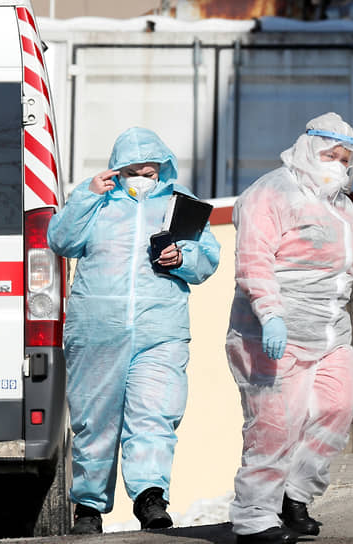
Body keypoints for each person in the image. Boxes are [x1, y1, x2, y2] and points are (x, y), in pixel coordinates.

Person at [47, 127, 220, 534]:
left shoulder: (180, 204)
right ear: (117, 170)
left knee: (155, 413)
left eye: (150, 171)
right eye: (133, 171)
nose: (142, 177)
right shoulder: (97, 201)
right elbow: (61, 240)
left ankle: (150, 497)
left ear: (162, 170)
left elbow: (207, 258)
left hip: (160, 329)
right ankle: (88, 507)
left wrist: (183, 256)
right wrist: (87, 195)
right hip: (96, 330)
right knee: (94, 419)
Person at [225, 112, 353, 544]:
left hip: (330, 331)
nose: (337, 165)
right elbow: (254, 259)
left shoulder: (339, 203)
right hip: (272, 330)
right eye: (330, 155)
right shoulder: (270, 193)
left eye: (344, 159)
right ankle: (254, 517)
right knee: (275, 426)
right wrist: (271, 313)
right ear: (309, 149)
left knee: (339, 407)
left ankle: (295, 493)